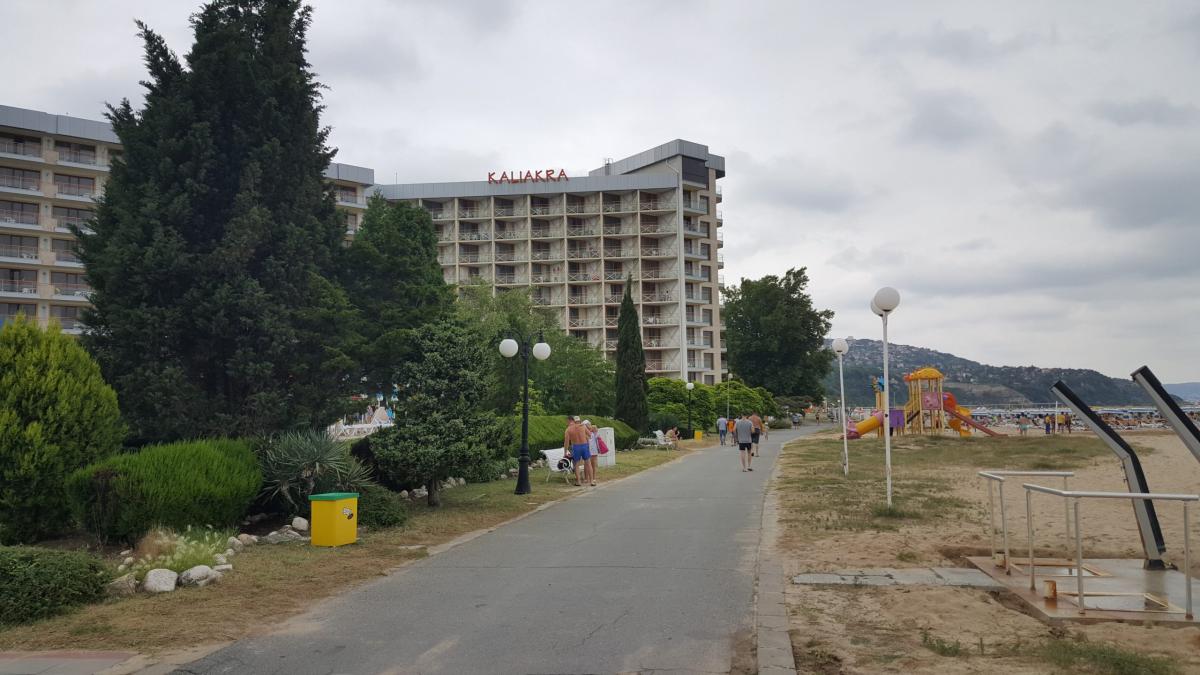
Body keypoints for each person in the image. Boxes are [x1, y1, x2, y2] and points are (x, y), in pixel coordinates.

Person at [563, 415, 592, 487]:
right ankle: (592, 481)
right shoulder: (582, 426)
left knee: (576, 465)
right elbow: (590, 435)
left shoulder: (568, 429)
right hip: (584, 445)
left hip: (576, 447)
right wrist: (584, 436)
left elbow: (566, 442)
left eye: (567, 421)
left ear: (569, 420)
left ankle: (579, 481)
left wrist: (565, 452)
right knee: (588, 463)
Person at [583, 420, 600, 487]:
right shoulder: (584, 432)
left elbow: (598, 436)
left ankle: (594, 478)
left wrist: (595, 429)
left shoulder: (594, 432)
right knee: (586, 464)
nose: (590, 425)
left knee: (593, 464)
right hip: (587, 450)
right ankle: (586, 478)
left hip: (594, 450)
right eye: (588, 424)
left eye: (589, 424)